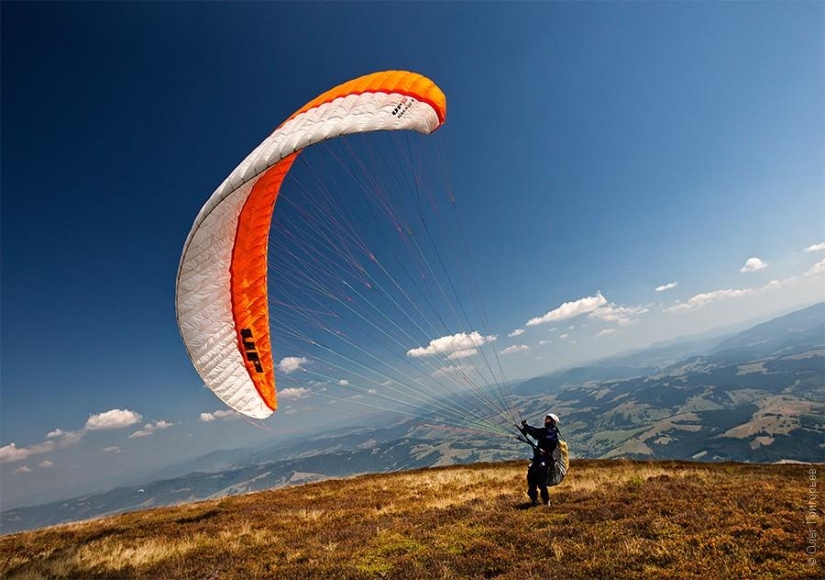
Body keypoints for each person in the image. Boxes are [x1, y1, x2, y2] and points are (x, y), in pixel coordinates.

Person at [518, 413, 560, 506]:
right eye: (546, 418)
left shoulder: (552, 432)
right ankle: (534, 500)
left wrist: (527, 427)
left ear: (553, 422)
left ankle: (546, 501)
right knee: (531, 479)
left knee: (541, 482)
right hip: (537, 459)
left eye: (548, 419)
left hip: (544, 461)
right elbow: (536, 433)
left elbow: (537, 433)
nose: (545, 420)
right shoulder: (546, 431)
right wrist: (526, 428)